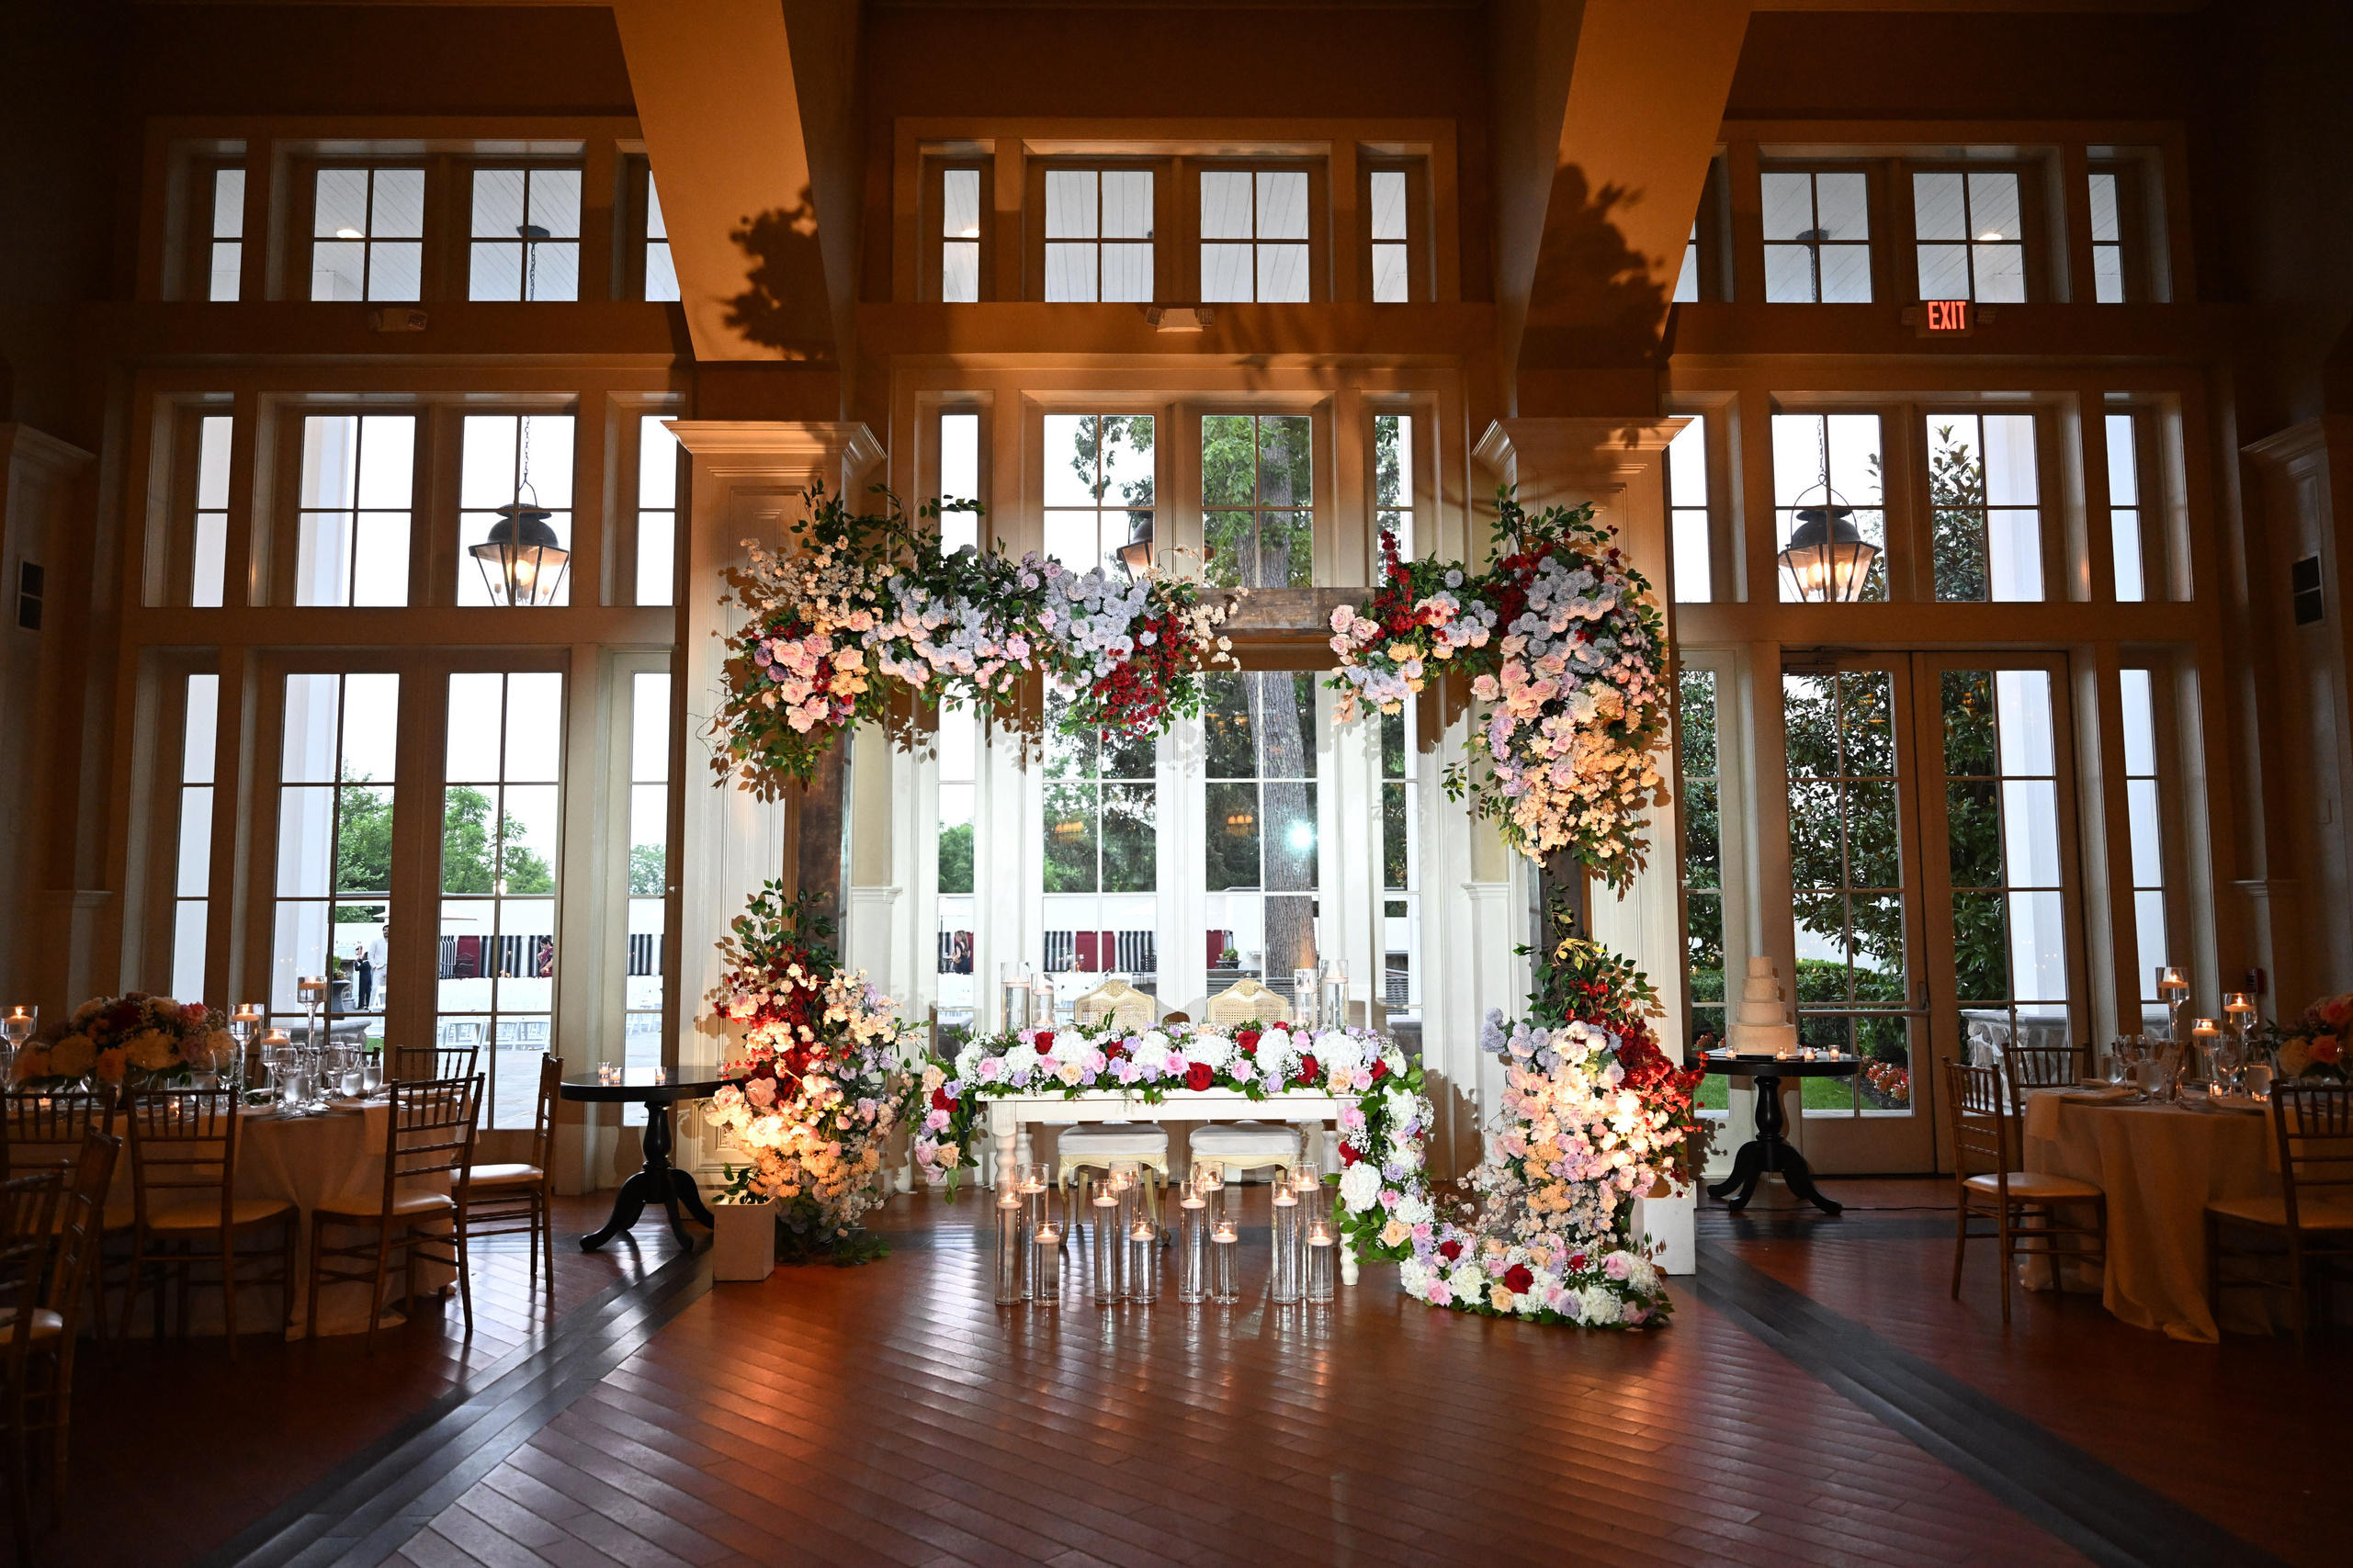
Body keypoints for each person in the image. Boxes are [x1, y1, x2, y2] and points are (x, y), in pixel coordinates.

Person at [355, 941, 376, 1010]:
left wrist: (355, 963)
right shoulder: (369, 963)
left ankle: (361, 1006)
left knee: (362, 992)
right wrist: (359, 961)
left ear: (366, 956)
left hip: (363, 979)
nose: (363, 956)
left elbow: (357, 969)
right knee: (368, 992)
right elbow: (362, 964)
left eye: (364, 955)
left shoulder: (365, 964)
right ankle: (368, 1005)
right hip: (369, 978)